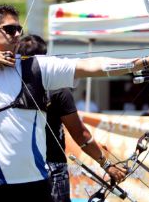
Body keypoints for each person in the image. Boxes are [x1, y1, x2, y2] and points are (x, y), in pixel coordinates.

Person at [0, 4, 149, 202]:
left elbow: (89, 66)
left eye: (19, 30)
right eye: (10, 29)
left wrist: (140, 63)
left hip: (34, 185)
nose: (17, 35)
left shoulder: (38, 67)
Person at [18, 35, 125, 202]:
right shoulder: (58, 89)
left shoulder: (9, 86)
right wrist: (106, 164)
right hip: (51, 167)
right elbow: (80, 134)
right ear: (45, 58)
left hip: (17, 168)